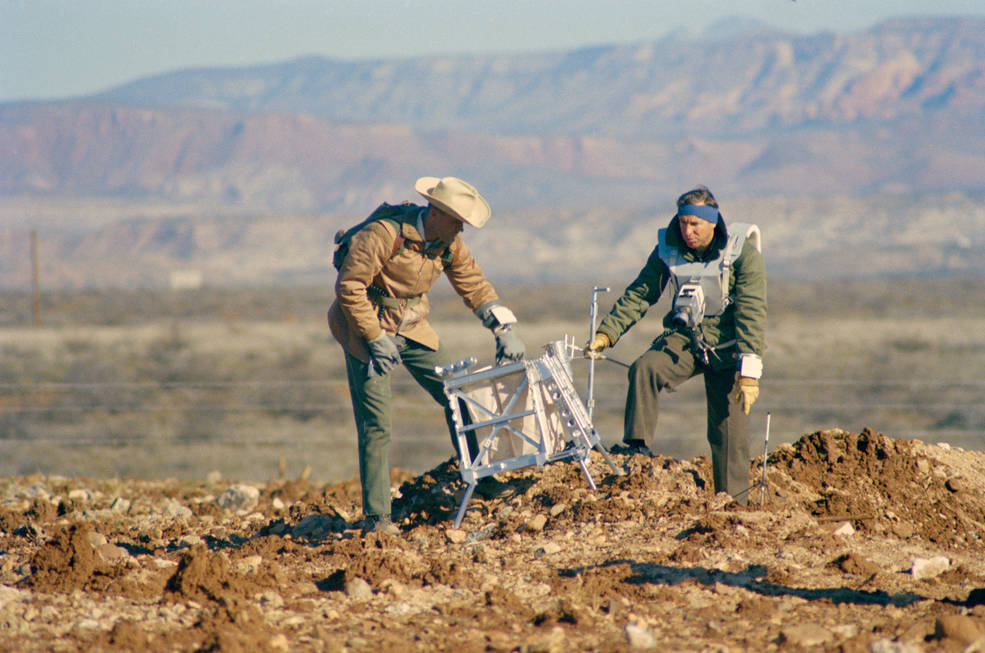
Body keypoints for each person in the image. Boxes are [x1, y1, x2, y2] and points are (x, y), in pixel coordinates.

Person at [328, 176, 525, 534]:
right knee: (376, 424)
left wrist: (503, 327)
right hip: (363, 327)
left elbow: (473, 283)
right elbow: (350, 285)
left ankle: (480, 478)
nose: (460, 228)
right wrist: (373, 336)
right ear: (435, 213)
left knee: (457, 395)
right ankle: (377, 517)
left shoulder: (449, 242)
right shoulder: (385, 234)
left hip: (412, 325)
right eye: (456, 221)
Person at [586, 186, 766, 503]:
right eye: (683, 222)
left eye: (695, 224)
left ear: (713, 222)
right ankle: (637, 449)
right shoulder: (668, 248)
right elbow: (641, 293)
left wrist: (749, 372)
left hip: (730, 347)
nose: (687, 230)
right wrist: (607, 333)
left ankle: (733, 504)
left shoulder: (742, 255)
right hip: (687, 337)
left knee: (729, 435)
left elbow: (751, 311)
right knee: (646, 368)